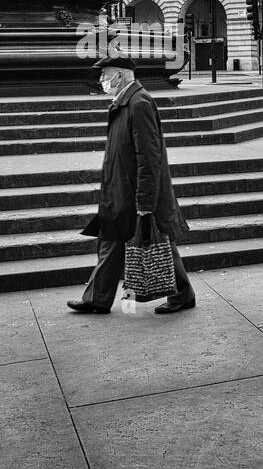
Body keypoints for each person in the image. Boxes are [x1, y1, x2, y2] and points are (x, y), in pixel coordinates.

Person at [68, 55, 195, 315]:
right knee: (111, 242)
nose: (102, 80)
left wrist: (145, 204)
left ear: (121, 76)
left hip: (133, 193)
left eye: (105, 75)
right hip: (120, 190)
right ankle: (98, 298)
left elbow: (149, 157)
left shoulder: (139, 103)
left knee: (156, 241)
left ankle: (183, 294)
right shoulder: (125, 102)